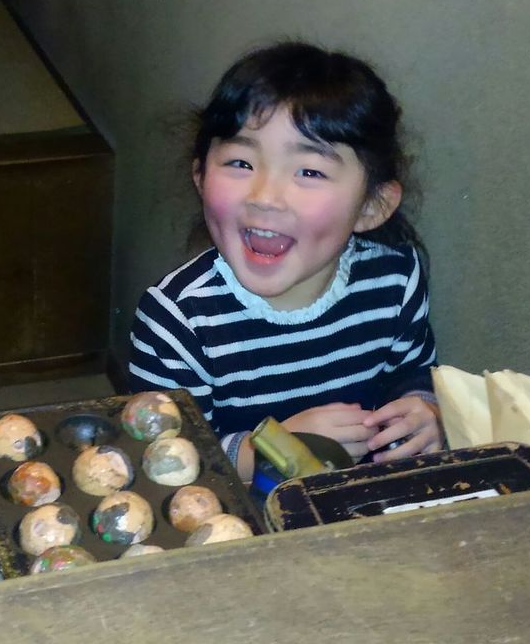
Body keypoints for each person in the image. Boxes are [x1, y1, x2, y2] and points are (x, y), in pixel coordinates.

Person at [128, 41, 441, 480]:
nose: (265, 197)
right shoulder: (177, 322)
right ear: (200, 176)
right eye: (240, 162)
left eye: (309, 171)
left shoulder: (394, 280)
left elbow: (414, 375)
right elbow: (165, 463)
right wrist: (272, 448)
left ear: (373, 206)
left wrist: (425, 411)